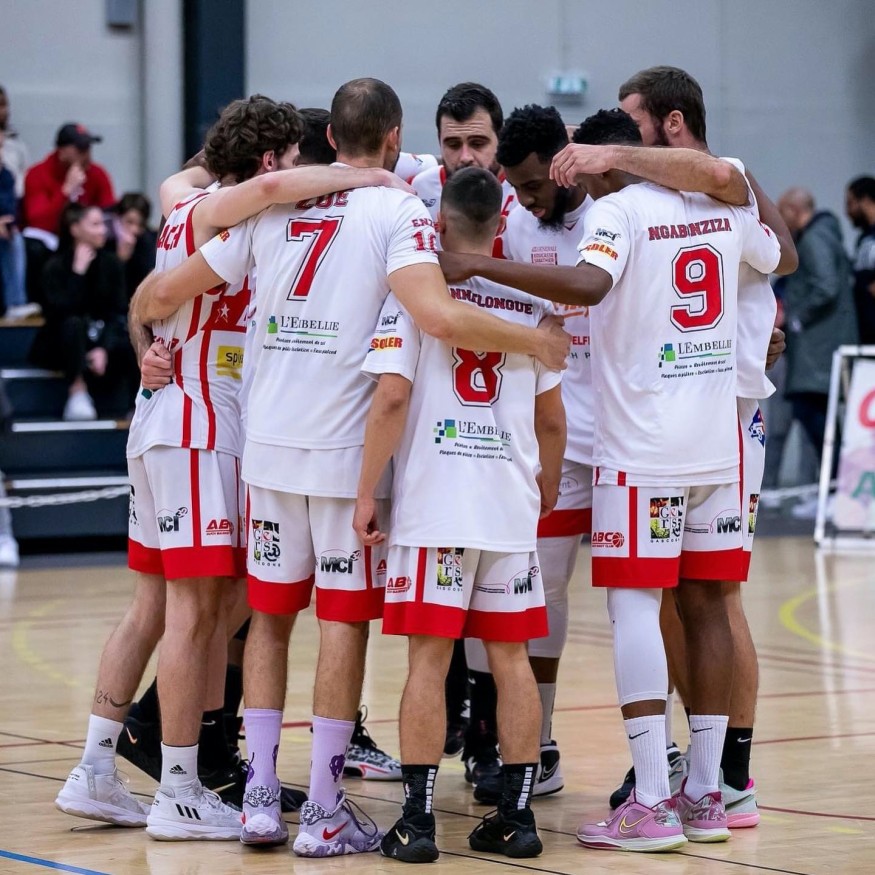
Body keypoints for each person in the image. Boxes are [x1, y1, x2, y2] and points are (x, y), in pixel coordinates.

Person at [134, 77, 569, 856]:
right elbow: (436, 313)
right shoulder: (397, 209)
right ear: (395, 138)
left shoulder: (271, 208)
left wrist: (149, 343)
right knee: (341, 624)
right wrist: (536, 340)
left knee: (268, 622)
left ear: (329, 138)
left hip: (268, 447)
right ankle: (325, 806)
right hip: (343, 456)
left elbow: (163, 289)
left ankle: (259, 799)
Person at [55, 94, 400, 841]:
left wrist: (146, 339)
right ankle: (180, 788)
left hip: (164, 419)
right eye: (291, 158)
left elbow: (155, 287)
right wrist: (365, 176)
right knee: (195, 614)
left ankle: (94, 767)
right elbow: (268, 189)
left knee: (156, 608)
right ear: (271, 159)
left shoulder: (183, 197)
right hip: (199, 424)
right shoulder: (229, 211)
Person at [439, 108, 781, 850]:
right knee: (710, 610)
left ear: (603, 160)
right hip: (715, 441)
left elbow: (588, 285)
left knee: (635, 610)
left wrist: (477, 266)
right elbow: (776, 252)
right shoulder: (723, 203)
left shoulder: (618, 212)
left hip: (641, 447)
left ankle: (651, 801)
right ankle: (706, 794)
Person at [355, 167, 565, 862]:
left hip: (436, 508)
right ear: (500, 228)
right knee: (510, 659)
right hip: (506, 504)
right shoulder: (530, 307)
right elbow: (552, 419)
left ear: (437, 224)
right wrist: (545, 483)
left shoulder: (417, 298)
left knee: (428, 657)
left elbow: (390, 398)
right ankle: (517, 816)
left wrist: (366, 490)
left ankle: (417, 823)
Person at [612, 65, 799, 822]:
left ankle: (728, 774)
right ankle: (697, 771)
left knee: (713, 597)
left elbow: (785, 255)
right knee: (675, 599)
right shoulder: (673, 195)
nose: (622, 140)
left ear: (672, 124)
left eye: (632, 123)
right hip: (692, 408)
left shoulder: (726, 183)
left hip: (724, 411)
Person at [490, 103, 594, 801]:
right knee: (542, 595)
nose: (525, 198)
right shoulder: (513, 221)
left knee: (649, 605)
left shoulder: (613, 214)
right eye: (516, 186)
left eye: (533, 184)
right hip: (552, 438)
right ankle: (542, 742)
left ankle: (667, 755)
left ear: (563, 163)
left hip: (627, 439)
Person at [29, 203, 137, 420]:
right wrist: (77, 274)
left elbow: (117, 312)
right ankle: (77, 390)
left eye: (103, 225)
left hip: (101, 337)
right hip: (63, 342)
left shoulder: (111, 263)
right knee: (72, 324)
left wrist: (103, 347)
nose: (102, 230)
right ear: (75, 228)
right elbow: (58, 313)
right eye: (95, 225)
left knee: (134, 338)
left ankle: (137, 406)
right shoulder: (54, 265)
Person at [777, 187, 856, 460]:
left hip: (818, 349)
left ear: (794, 211)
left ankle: (836, 477)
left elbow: (826, 286)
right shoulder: (822, 236)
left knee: (811, 411)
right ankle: (836, 478)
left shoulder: (814, 239)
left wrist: (795, 318)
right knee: (819, 413)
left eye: (781, 211)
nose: (779, 219)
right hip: (821, 347)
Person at [22, 123, 115, 307]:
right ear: (62, 151)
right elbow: (38, 221)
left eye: (88, 148)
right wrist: (66, 190)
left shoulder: (96, 173)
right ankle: (40, 303)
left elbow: (109, 209)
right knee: (33, 248)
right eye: (80, 149)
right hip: (54, 239)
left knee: (117, 240)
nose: (87, 154)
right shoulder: (37, 174)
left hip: (86, 235)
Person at [412, 82, 516, 247]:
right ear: (439, 141)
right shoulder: (418, 189)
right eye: (453, 145)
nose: (465, 157)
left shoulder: (524, 194)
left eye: (478, 144)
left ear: (500, 138)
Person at [0, 129, 30, 319]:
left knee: (15, 239)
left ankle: (16, 302)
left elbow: (10, 207)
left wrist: (6, 222)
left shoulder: (6, 176)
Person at [108, 192, 157, 300]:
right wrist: (120, 260)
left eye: (140, 224)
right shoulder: (106, 241)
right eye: (129, 222)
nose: (134, 229)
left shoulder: (148, 241)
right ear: (117, 218)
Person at [845, 176, 875, 344]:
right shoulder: (864, 238)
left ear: (865, 201)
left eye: (850, 203)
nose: (847, 212)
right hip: (865, 332)